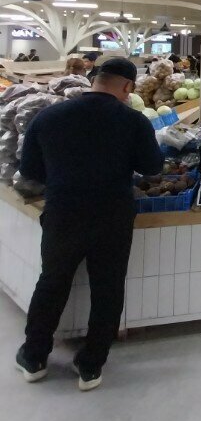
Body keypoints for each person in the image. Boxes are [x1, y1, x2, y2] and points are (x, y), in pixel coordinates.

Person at [15, 57, 163, 391]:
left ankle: (35, 357)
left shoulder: (48, 116)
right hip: (112, 214)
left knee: (52, 282)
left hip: (64, 213)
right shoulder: (133, 121)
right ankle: (91, 365)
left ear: (95, 79)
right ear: (126, 86)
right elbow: (153, 167)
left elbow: (31, 172)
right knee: (107, 288)